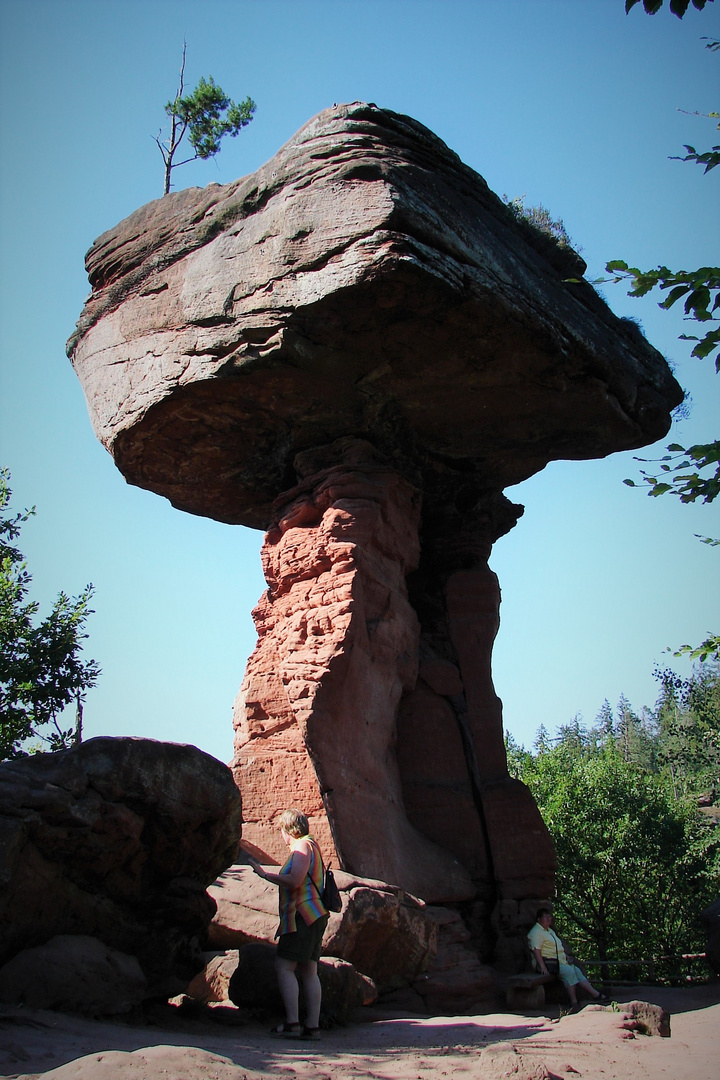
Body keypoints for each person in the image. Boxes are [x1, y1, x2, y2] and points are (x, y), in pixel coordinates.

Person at [248, 808, 329, 1039]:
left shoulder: (302, 846)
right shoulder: (311, 844)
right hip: (314, 914)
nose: (281, 836)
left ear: (288, 829)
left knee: (284, 967)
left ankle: (293, 1023)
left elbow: (295, 881)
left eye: (281, 830)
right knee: (309, 970)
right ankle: (312, 1027)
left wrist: (266, 876)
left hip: (303, 916)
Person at [528, 907, 610, 1011]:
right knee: (570, 972)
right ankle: (574, 1002)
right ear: (539, 919)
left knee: (577, 971)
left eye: (550, 917)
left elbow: (556, 947)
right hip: (548, 963)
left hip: (559, 961)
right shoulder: (536, 932)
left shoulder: (549, 931)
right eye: (546, 917)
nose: (549, 919)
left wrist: (566, 956)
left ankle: (596, 995)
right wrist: (542, 966)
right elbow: (536, 950)